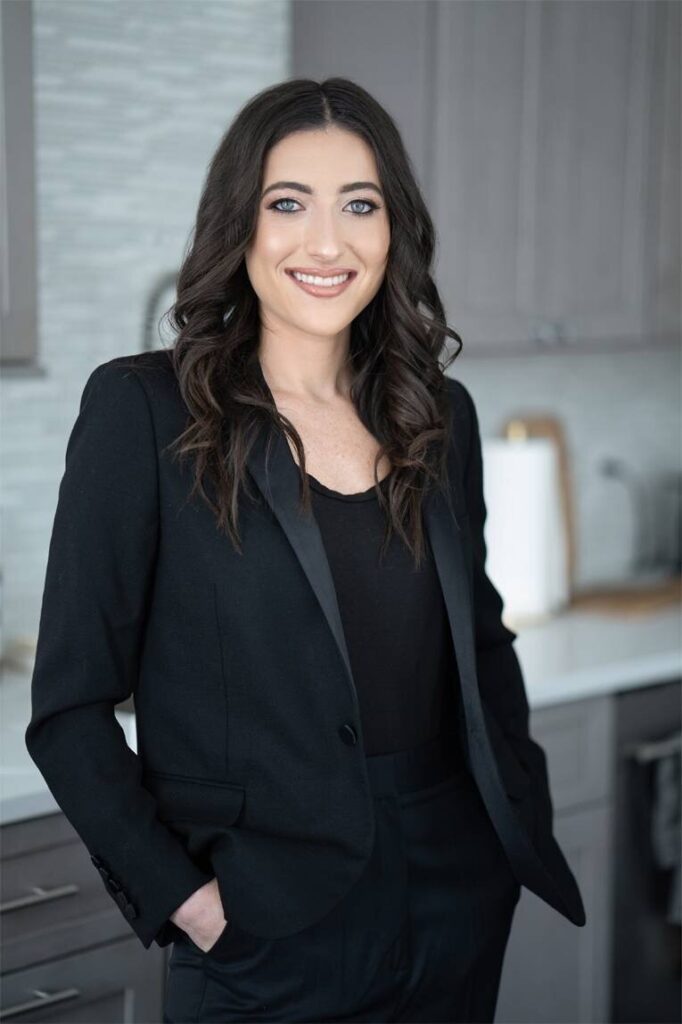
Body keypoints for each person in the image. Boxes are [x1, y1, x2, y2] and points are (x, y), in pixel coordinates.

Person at [25, 77, 585, 1023]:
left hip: (453, 892)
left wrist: (505, 821)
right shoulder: (147, 413)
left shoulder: (438, 415)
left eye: (359, 206)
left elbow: (481, 644)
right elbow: (70, 710)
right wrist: (192, 907)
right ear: (238, 223)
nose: (327, 243)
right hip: (263, 926)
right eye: (289, 204)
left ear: (392, 230)